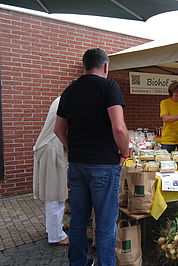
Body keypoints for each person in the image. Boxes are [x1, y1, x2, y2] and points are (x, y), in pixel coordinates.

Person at [54, 48, 129, 266]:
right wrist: (124, 152)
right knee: (105, 223)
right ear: (105, 66)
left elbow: (58, 130)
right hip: (104, 165)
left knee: (78, 219)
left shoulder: (69, 91)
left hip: (77, 165)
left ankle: (77, 262)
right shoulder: (109, 86)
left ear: (84, 65)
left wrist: (74, 147)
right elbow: (119, 130)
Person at [33, 96, 69, 246]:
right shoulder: (70, 100)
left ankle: (53, 227)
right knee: (55, 193)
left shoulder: (61, 99)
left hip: (50, 146)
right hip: (55, 148)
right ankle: (56, 236)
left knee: (52, 192)